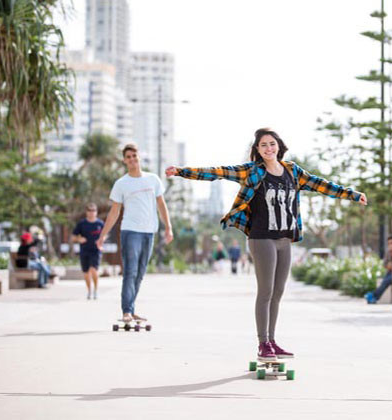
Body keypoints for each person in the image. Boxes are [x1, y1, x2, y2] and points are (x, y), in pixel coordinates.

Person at [166, 127, 367, 362]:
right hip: (261, 237)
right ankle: (263, 343)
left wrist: (351, 194)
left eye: (272, 144)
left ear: (279, 146)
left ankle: (272, 341)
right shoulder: (252, 171)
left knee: (279, 292)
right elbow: (217, 172)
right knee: (266, 291)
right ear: (257, 150)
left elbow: (321, 185)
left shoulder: (293, 171)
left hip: (285, 238)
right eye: (263, 145)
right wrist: (182, 172)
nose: (268, 148)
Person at [96, 143, 174, 324]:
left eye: (134, 156)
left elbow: (162, 205)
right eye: (128, 157)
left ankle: (131, 308)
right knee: (130, 271)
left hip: (149, 232)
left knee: (140, 273)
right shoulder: (121, 184)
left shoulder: (153, 180)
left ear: (139, 157)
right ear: (124, 161)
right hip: (130, 231)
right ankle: (127, 311)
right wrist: (102, 235)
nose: (132, 159)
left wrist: (168, 227)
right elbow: (114, 212)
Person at [72, 202, 105, 300]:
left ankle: (96, 290)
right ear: (86, 212)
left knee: (94, 270)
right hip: (84, 250)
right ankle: (89, 290)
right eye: (89, 211)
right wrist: (79, 239)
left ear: (96, 212)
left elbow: (105, 235)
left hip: (96, 250)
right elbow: (73, 237)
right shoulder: (82, 224)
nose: (91, 213)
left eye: (93, 210)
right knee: (86, 273)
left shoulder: (100, 223)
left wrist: (101, 240)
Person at [365, 235, 392, 304]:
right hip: (390, 272)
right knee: (384, 282)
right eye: (389, 243)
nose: (390, 245)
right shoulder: (388, 252)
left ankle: (373, 295)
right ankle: (374, 296)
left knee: (386, 281)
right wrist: (389, 265)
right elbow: (385, 264)